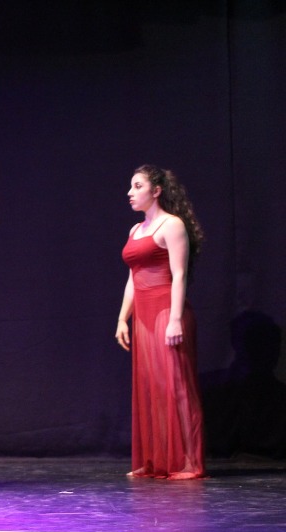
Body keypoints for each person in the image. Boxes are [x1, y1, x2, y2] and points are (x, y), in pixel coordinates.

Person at [116, 165, 205, 479]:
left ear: (156, 191)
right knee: (151, 387)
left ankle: (189, 462)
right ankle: (155, 460)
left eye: (137, 186)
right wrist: (122, 318)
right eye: (131, 186)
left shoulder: (172, 225)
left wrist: (176, 319)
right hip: (143, 315)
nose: (130, 192)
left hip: (167, 311)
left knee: (176, 387)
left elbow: (179, 275)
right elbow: (133, 278)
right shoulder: (135, 230)